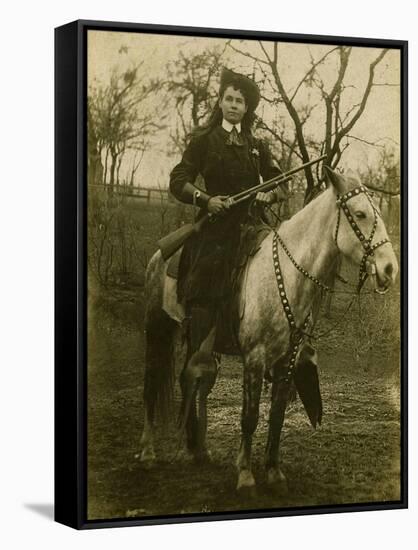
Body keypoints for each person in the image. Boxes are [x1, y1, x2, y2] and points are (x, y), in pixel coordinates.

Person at [169, 67, 287, 362]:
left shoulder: (258, 146)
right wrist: (207, 201)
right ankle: (200, 349)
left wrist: (268, 193)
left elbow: (278, 182)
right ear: (220, 102)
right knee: (205, 276)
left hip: (252, 226)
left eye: (240, 101)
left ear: (247, 109)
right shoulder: (203, 141)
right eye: (230, 98)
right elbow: (178, 180)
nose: (234, 105)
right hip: (216, 227)